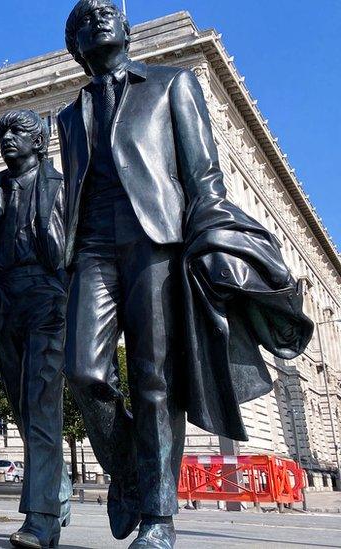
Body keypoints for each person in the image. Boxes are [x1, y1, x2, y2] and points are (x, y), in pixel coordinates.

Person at [58, 2, 312, 548]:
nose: (99, 17)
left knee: (155, 380)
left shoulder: (173, 84)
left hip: (158, 242)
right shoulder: (68, 115)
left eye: (108, 11)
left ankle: (158, 515)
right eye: (85, 17)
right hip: (94, 249)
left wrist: (215, 240)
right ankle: (130, 471)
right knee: (83, 372)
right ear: (75, 44)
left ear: (126, 30)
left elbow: (203, 174)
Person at [0, 110, 72, 548]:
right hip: (3, 302)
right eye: (2, 133)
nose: (7, 139)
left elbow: (77, 246)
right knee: (24, 409)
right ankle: (57, 485)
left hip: (47, 297)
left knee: (42, 401)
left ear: (39, 141)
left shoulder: (60, 186)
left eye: (18, 132)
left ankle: (42, 518)